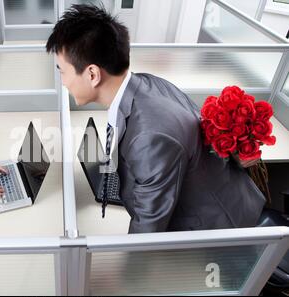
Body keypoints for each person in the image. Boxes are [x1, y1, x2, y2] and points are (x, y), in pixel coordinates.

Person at [47, 4, 266, 233]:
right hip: (226, 199)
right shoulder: (147, 83)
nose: (63, 82)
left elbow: (147, 232)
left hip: (222, 230)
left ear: (92, 74)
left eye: (62, 71)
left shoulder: (149, 137)